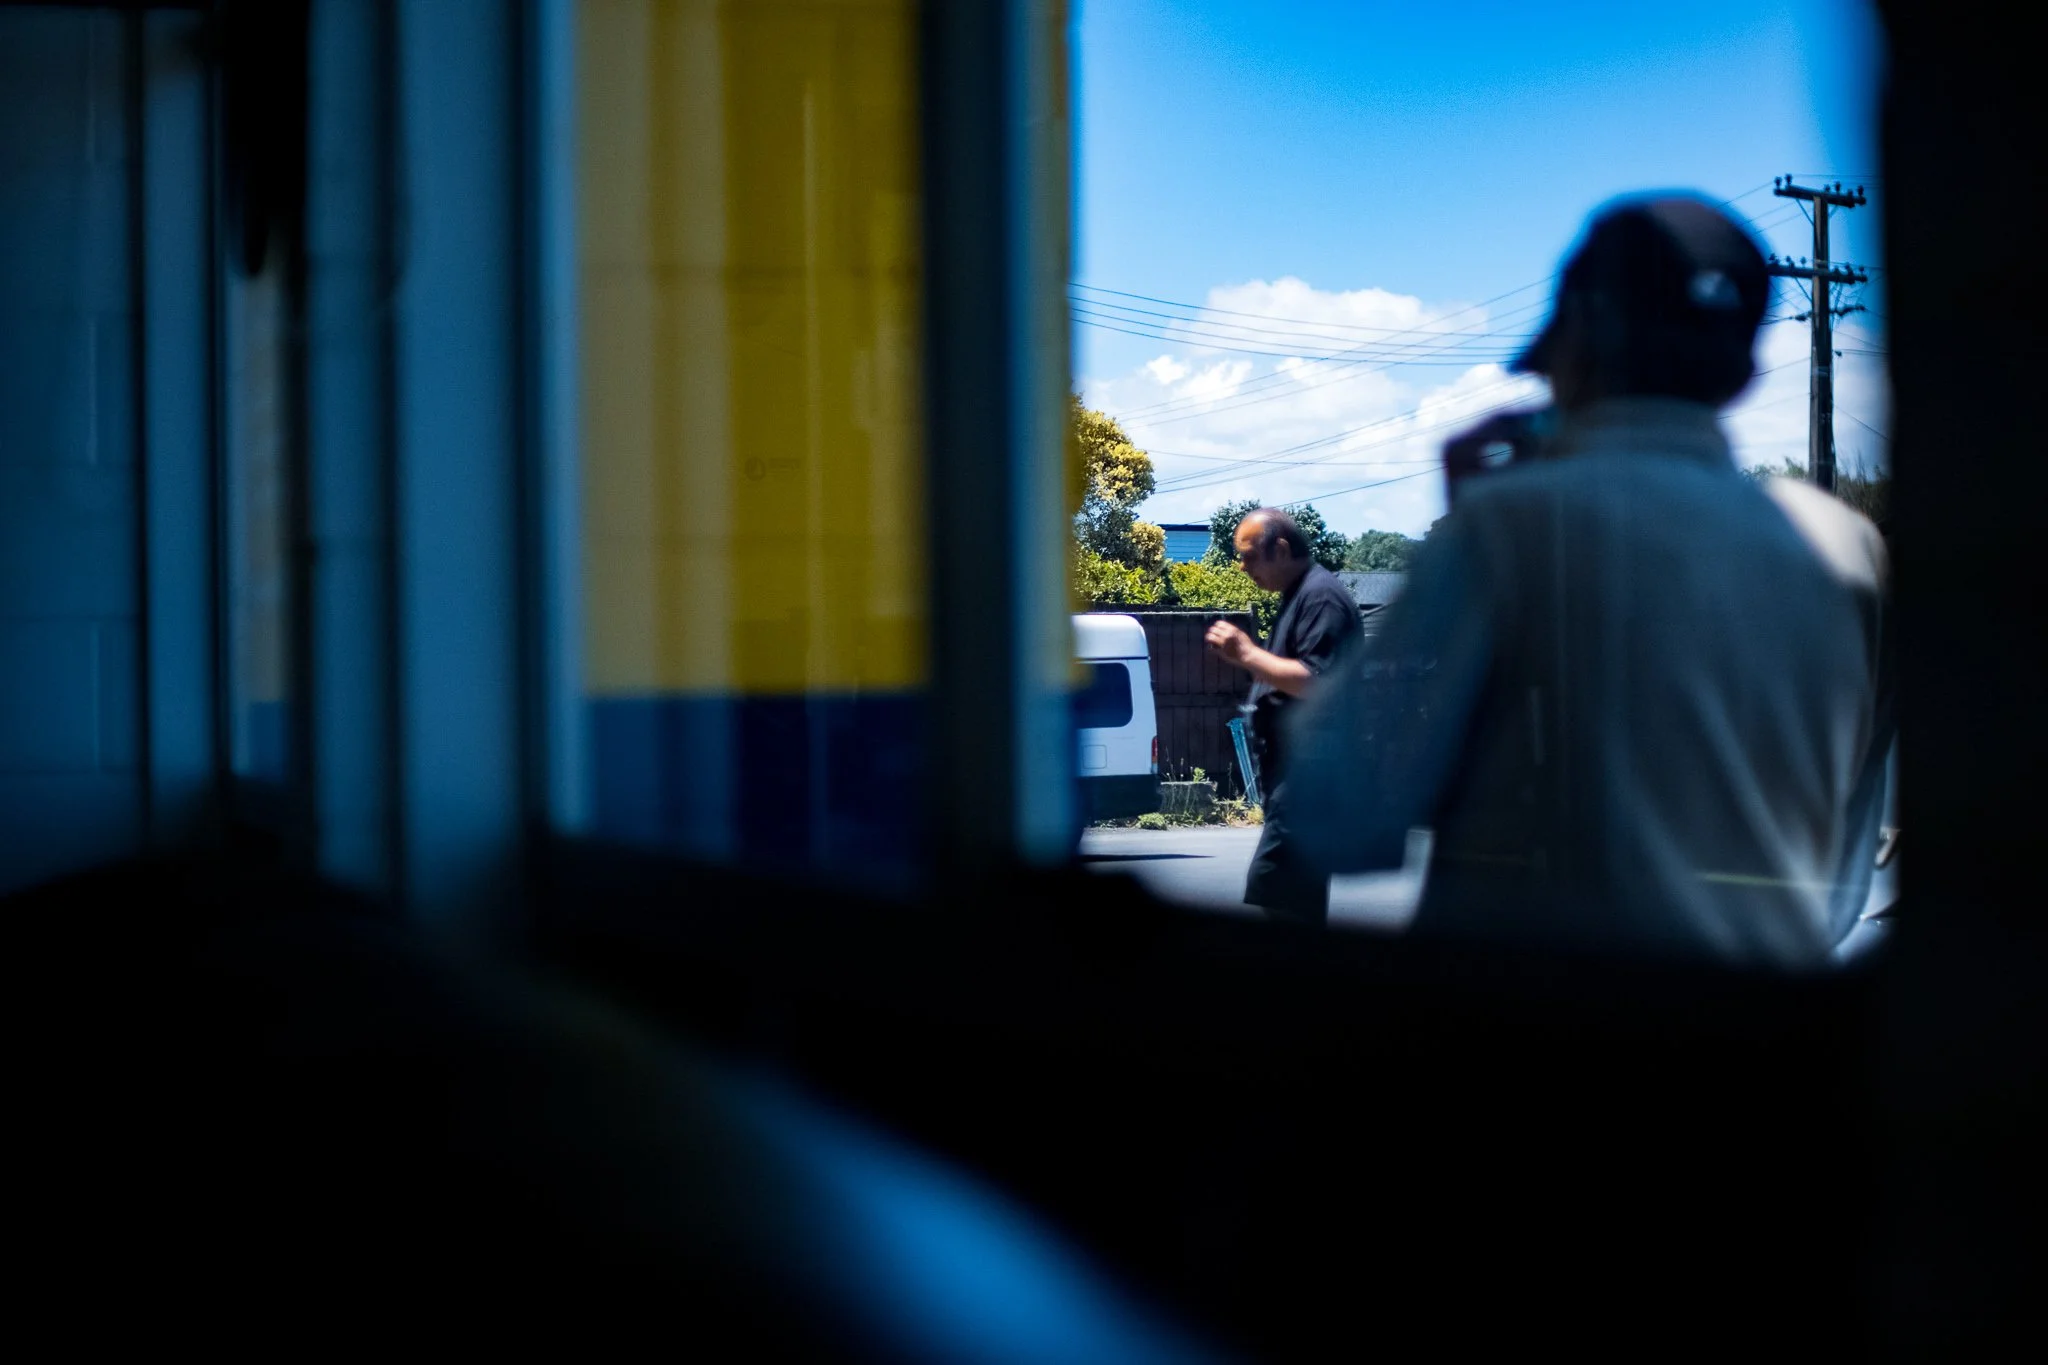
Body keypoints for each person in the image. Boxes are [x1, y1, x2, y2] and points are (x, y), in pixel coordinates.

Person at [1284, 192, 1893, 969]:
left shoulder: (1509, 526)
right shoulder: (1847, 546)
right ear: (1740, 374)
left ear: (1575, 346)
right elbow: (1838, 876)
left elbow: (1338, 817)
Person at [1204, 509, 1361, 926]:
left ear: (1282, 549)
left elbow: (1318, 682)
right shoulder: (1300, 595)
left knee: (1275, 890)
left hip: (1310, 781)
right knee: (1290, 902)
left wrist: (1248, 654)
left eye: (1250, 555)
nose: (1242, 566)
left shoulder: (1321, 597)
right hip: (1296, 781)